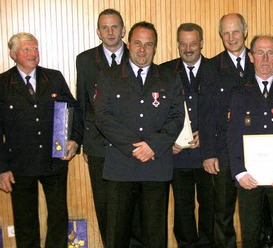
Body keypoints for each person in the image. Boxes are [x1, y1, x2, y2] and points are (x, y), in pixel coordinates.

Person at [0, 32, 82, 247]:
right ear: (13, 54)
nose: (33, 53)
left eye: (35, 48)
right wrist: (0, 168)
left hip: (54, 160)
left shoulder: (54, 77)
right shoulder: (0, 83)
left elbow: (74, 110)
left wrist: (74, 141)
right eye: (26, 49)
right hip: (19, 165)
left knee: (58, 217)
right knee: (25, 221)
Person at [94, 21, 184, 247]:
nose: (142, 50)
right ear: (128, 44)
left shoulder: (169, 77)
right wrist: (134, 146)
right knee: (117, 234)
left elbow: (177, 118)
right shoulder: (109, 76)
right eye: (137, 43)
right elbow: (102, 117)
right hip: (121, 166)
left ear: (155, 48)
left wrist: (153, 145)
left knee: (155, 234)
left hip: (156, 165)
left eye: (149, 44)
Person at [227, 35, 273, 248]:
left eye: (271, 52)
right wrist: (239, 172)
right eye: (260, 52)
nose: (265, 58)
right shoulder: (239, 93)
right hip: (248, 177)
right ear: (251, 57)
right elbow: (232, 137)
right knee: (250, 232)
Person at [200, 13, 254, 248]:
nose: (231, 38)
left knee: (254, 210)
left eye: (235, 31)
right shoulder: (212, 66)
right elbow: (206, 114)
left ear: (245, 31)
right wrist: (208, 153)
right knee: (222, 211)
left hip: (257, 150)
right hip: (223, 151)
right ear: (220, 35)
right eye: (226, 33)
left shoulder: (259, 61)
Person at [74, 8, 128, 245]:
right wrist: (84, 142)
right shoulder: (85, 60)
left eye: (115, 26)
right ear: (98, 32)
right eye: (105, 28)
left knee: (130, 203)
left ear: (123, 30)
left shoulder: (137, 54)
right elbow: (82, 103)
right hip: (98, 144)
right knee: (104, 204)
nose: (110, 32)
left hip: (130, 144)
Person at [160, 23, 215, 248]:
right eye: (183, 43)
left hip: (208, 154)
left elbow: (224, 110)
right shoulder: (164, 71)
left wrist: (208, 134)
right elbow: (155, 112)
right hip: (177, 154)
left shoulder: (215, 69)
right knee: (182, 207)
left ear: (201, 43)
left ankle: (208, 245)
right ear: (178, 44)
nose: (188, 48)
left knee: (210, 205)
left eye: (193, 43)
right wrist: (167, 138)